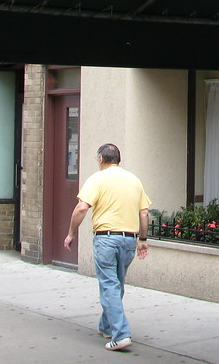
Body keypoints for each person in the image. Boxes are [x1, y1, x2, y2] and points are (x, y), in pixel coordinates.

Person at [64, 143, 151, 352]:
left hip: (106, 239)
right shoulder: (134, 180)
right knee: (116, 284)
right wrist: (143, 239)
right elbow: (144, 213)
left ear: (100, 159)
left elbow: (81, 208)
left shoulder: (97, 178)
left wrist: (71, 233)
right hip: (129, 240)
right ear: (119, 160)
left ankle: (120, 334)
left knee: (110, 285)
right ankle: (106, 326)